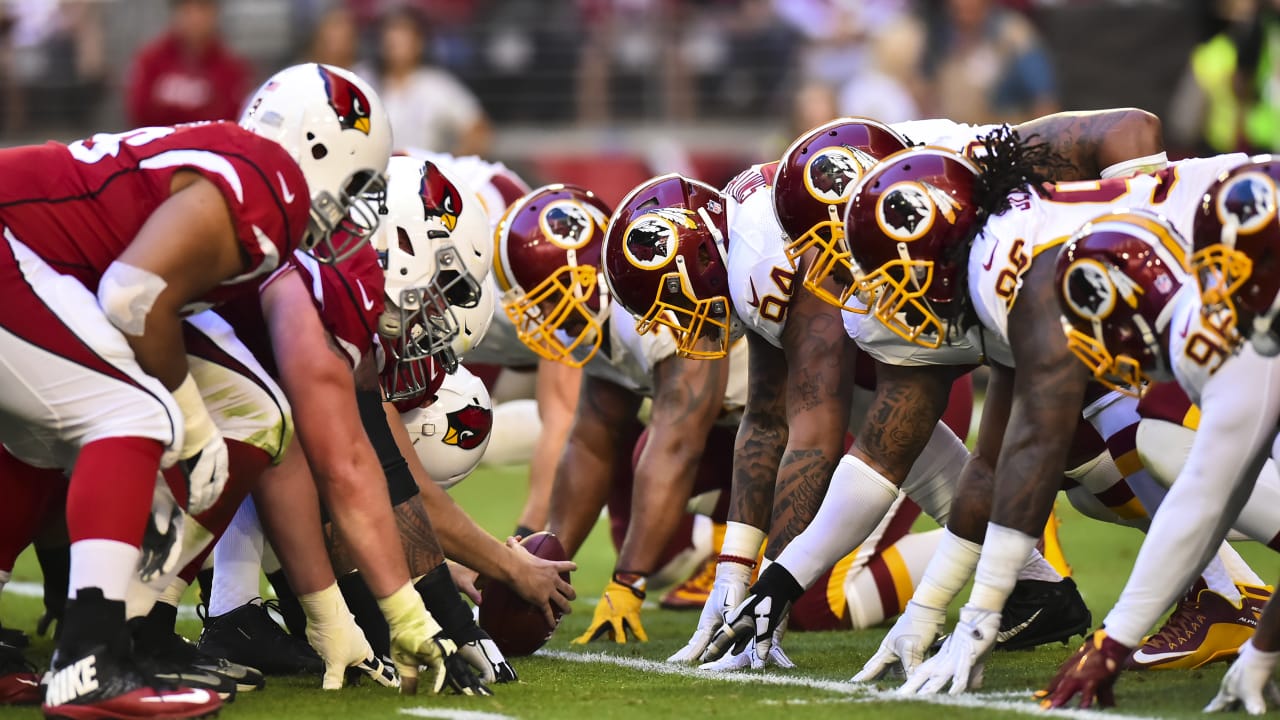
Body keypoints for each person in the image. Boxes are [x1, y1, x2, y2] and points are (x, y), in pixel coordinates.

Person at [0, 58, 394, 718]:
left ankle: (132, 624)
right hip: (19, 246)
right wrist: (190, 421)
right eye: (355, 183)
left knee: (252, 409)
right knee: (132, 415)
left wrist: (208, 420)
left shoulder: (233, 159)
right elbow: (132, 295)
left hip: (42, 259)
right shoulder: (270, 182)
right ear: (320, 148)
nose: (351, 210)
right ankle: (89, 660)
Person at [836, 141, 1268, 695]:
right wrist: (931, 605)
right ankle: (1238, 609)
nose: (899, 301)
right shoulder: (1006, 249)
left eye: (901, 278)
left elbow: (1038, 439)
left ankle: (1235, 604)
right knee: (1127, 461)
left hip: (1254, 252)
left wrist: (980, 616)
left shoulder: (1014, 274)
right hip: (1238, 272)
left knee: (1165, 442)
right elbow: (999, 457)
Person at [1040, 169, 1280, 709]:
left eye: (1240, 271)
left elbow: (1201, 500)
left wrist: (1112, 642)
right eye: (1214, 270)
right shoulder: (1245, 334)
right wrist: (1262, 653)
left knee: (1165, 448)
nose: (1225, 295)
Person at [494, 183, 735, 643]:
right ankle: (731, 545)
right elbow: (590, 442)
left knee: (820, 599)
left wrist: (628, 582)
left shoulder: (655, 296)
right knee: (658, 539)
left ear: (580, 278)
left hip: (822, 427)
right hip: (741, 430)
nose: (534, 315)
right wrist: (543, 559)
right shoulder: (596, 315)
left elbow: (678, 444)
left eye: (539, 297)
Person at [367, 7, 492, 156]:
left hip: (420, 174)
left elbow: (479, 129)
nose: (394, 41)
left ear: (419, 42)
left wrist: (450, 165)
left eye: (403, 33)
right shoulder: (363, 79)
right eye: (390, 32)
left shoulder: (436, 85)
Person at [125, 0, 252, 127]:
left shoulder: (232, 67)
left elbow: (232, 117)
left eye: (202, 9)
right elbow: (139, 110)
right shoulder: (151, 59)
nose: (195, 19)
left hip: (210, 145)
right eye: (187, 10)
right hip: (159, 144)